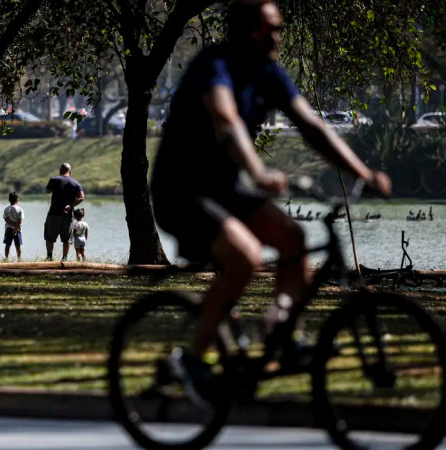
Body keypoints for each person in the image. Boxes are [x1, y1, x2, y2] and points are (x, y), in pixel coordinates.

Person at [150, 0, 391, 407]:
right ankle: (191, 360)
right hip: (181, 191)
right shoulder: (215, 65)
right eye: (269, 29)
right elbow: (226, 122)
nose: (277, 36)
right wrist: (259, 172)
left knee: (293, 237)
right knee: (244, 256)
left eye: (279, 28)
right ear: (246, 31)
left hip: (224, 189)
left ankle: (284, 335)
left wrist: (362, 171)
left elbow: (312, 126)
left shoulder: (269, 72)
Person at [44, 162, 84, 261]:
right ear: (70, 172)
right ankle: (64, 258)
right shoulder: (75, 183)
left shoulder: (54, 179)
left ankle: (49, 257)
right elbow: (81, 197)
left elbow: (47, 191)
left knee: (49, 237)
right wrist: (70, 205)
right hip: (68, 215)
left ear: (60, 170)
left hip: (54, 213)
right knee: (67, 239)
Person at [3, 192, 24, 261]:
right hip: (18, 230)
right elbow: (20, 220)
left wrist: (12, 224)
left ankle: (6, 258)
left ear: (9, 200)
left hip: (8, 229)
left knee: (7, 245)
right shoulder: (20, 209)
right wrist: (15, 228)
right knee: (18, 245)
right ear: (17, 200)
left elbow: (6, 219)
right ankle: (19, 259)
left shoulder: (6, 209)